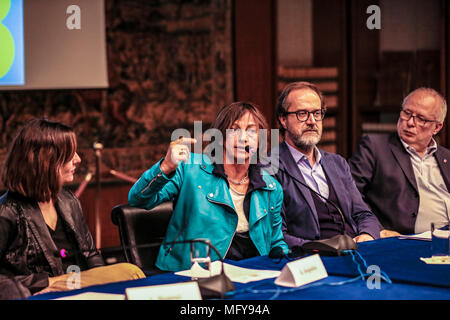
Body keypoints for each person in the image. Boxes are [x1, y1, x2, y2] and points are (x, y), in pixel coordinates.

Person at [128, 102, 289, 272]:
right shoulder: (189, 168)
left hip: (252, 274)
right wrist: (166, 167)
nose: (243, 138)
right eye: (234, 130)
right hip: (193, 272)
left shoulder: (271, 187)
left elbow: (275, 242)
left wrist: (287, 263)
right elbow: (138, 199)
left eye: (251, 131)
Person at [0, 118, 145, 299]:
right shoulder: (6, 211)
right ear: (46, 160)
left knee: (130, 272)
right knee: (130, 271)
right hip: (46, 288)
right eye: (70, 153)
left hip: (78, 284)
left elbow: (92, 256)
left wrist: (104, 289)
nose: (78, 159)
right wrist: (44, 284)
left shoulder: (69, 200)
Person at [273, 82, 381, 248]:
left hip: (355, 250)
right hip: (311, 259)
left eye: (317, 113)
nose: (312, 121)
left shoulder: (337, 163)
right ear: (283, 119)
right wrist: (323, 248)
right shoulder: (270, 166)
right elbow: (277, 234)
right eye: (302, 114)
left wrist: (367, 235)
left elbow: (364, 214)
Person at [349, 87, 450, 236]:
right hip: (403, 240)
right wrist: (377, 229)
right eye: (407, 113)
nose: (410, 122)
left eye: (421, 119)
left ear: (436, 127)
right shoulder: (375, 147)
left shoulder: (446, 156)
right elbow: (350, 194)